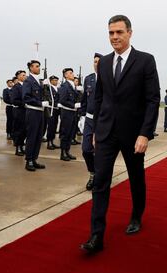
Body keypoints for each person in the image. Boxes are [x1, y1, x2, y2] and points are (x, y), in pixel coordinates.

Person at [81, 15, 160, 253]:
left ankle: (136, 216)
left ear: (129, 33)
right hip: (105, 132)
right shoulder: (103, 62)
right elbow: (99, 98)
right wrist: (94, 129)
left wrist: (145, 133)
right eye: (111, 33)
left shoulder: (145, 60)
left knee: (136, 178)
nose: (114, 37)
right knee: (100, 181)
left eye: (119, 32)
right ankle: (96, 235)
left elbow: (152, 99)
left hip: (133, 134)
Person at [81, 53, 102, 191]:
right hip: (89, 119)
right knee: (86, 150)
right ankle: (92, 173)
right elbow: (84, 99)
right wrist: (82, 116)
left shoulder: (110, 79)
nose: (96, 64)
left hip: (103, 120)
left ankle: (101, 176)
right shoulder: (89, 79)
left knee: (102, 151)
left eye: (99, 61)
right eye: (94, 61)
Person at [23, 60, 48, 171]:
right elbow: (26, 97)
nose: (39, 68)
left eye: (39, 66)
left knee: (38, 136)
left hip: (40, 112)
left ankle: (34, 159)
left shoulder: (39, 81)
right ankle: (29, 161)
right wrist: (39, 103)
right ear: (31, 68)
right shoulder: (28, 81)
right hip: (33, 111)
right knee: (32, 137)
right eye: (37, 66)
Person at [58, 68, 80, 161]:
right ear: (65, 75)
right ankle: (63, 153)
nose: (72, 74)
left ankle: (67, 151)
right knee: (65, 133)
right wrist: (73, 105)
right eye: (70, 73)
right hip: (67, 112)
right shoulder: (64, 86)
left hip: (73, 112)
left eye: (72, 72)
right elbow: (62, 100)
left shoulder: (72, 85)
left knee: (71, 133)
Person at [11, 70, 27, 156]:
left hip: (26, 111)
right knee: (19, 130)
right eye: (23, 75)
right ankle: (18, 148)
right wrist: (25, 104)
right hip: (19, 111)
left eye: (25, 75)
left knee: (25, 130)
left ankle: (22, 146)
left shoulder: (26, 86)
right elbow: (14, 100)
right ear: (18, 76)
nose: (25, 76)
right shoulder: (16, 87)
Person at [46, 75, 60, 150]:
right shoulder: (49, 88)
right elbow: (48, 98)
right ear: (50, 81)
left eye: (56, 80)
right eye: (54, 80)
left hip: (57, 109)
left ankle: (52, 141)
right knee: (51, 126)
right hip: (51, 109)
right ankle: (49, 142)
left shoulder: (58, 88)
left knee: (54, 126)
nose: (55, 81)